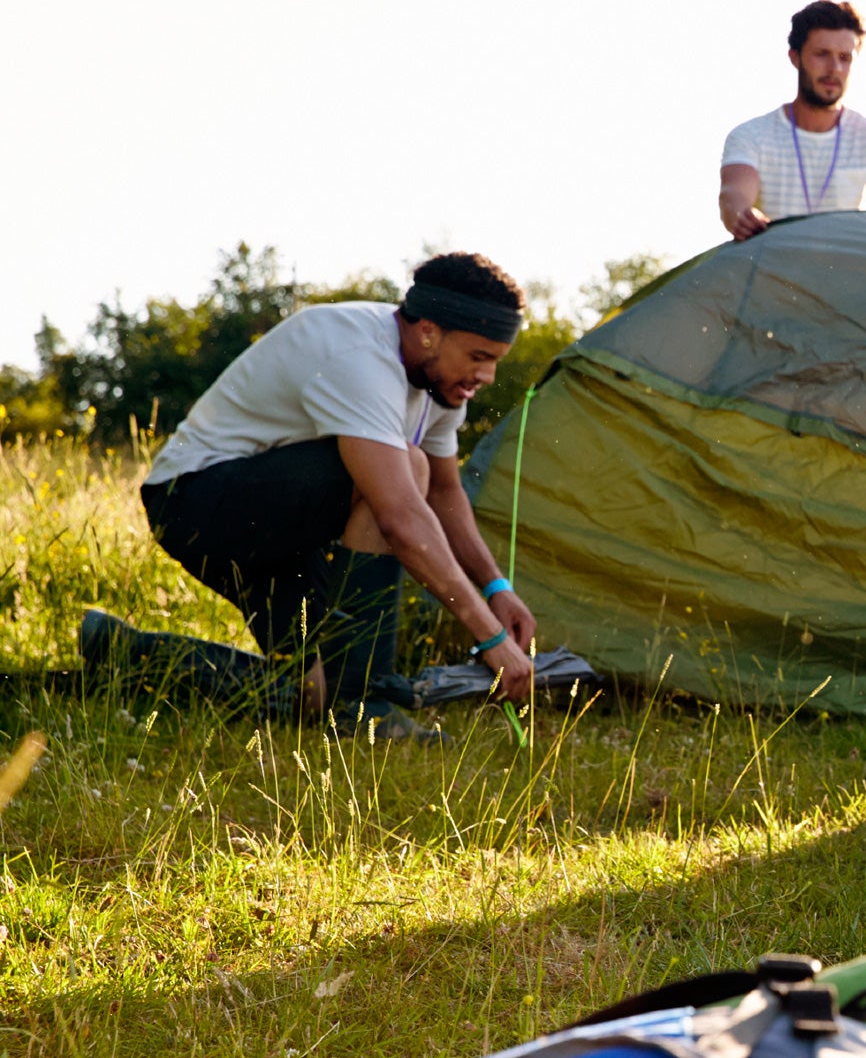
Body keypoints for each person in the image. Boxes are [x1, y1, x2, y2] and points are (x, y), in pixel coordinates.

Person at [87, 253, 539, 739]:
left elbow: (446, 495)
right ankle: (366, 707)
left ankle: (124, 653)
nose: (487, 376)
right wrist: (489, 637)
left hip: (287, 526)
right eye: (480, 357)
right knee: (406, 467)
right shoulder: (360, 357)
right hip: (197, 502)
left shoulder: (439, 382)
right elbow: (401, 517)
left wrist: (497, 588)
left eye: (495, 360)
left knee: (312, 697)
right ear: (428, 332)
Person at [718, 0, 866, 239]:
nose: (835, 68)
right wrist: (742, 215)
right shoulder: (751, 135)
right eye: (822, 54)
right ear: (795, 57)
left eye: (845, 57)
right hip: (773, 261)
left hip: (847, 264)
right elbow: (734, 196)